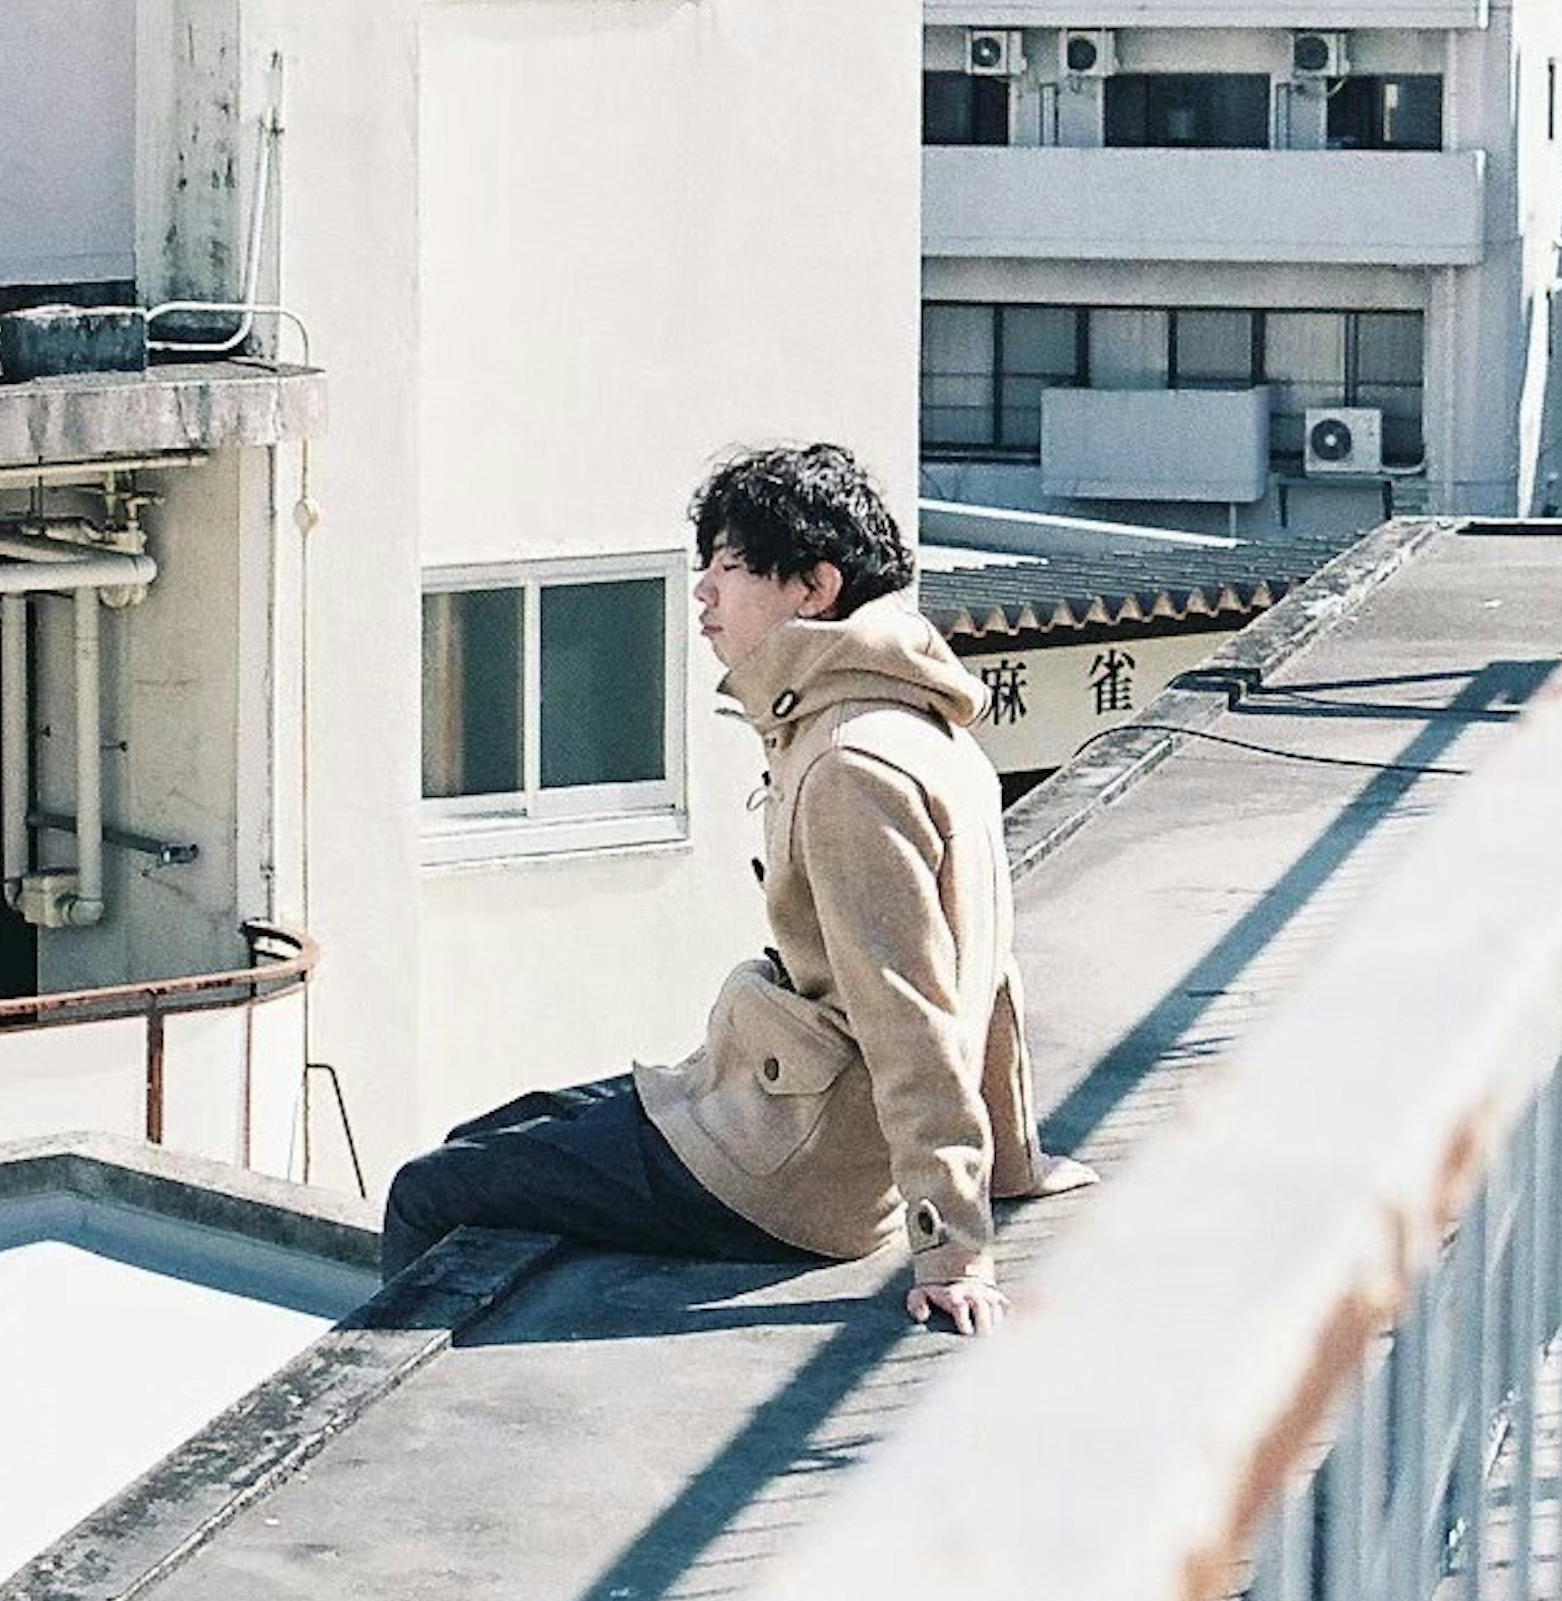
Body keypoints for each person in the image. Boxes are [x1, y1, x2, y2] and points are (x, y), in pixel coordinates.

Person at [376, 442, 1090, 1331]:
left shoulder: (848, 766)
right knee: (489, 1136)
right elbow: (987, 970)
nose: (704, 593)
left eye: (732, 567)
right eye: (704, 565)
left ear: (814, 589)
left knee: (428, 1193)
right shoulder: (913, 724)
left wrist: (951, 1246)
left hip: (783, 1169)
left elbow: (912, 1013)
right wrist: (1013, 1159)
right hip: (771, 1100)